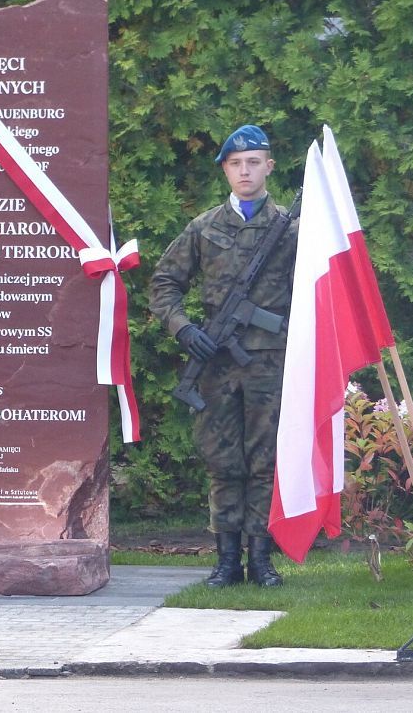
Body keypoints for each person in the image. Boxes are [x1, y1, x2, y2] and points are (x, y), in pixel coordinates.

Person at [148, 124, 297, 588]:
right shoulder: (204, 227)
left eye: (253, 162)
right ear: (225, 171)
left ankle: (263, 559)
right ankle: (226, 560)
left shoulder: (291, 229)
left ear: (269, 167)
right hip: (216, 363)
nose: (245, 170)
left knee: (265, 459)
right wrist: (184, 328)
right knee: (223, 461)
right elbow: (164, 282)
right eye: (235, 164)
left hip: (270, 362)